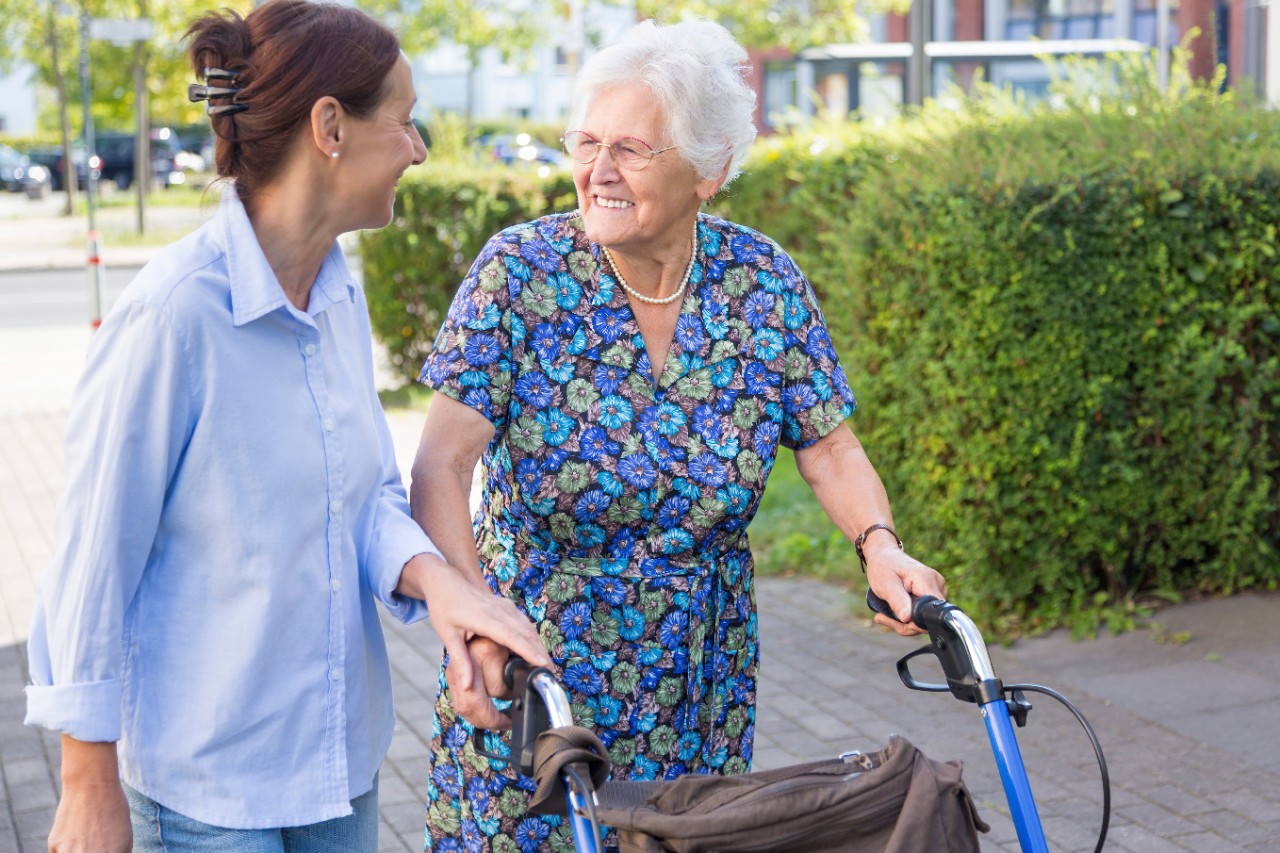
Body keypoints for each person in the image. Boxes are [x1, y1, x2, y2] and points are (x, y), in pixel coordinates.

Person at [411, 18, 948, 852]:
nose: (598, 170)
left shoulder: (760, 281)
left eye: (630, 148)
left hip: (701, 681)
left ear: (711, 168)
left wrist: (880, 546)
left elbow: (829, 446)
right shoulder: (520, 274)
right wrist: (473, 618)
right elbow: (440, 464)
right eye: (585, 142)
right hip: (532, 675)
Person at [23, 2, 548, 851]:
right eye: (407, 123)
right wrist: (86, 780)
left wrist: (446, 585)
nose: (417, 150)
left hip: (338, 764)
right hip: (208, 788)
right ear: (330, 127)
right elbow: (92, 559)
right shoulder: (172, 318)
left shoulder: (338, 293)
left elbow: (367, 494)